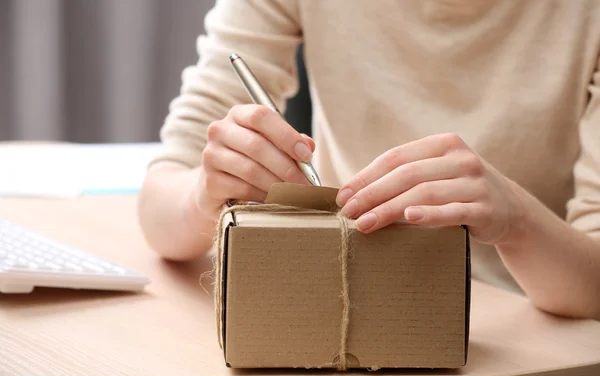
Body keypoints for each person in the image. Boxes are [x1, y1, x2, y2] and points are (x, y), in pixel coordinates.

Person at [138, 0, 600, 320]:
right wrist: (206, 189)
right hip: (346, 307)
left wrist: (515, 221)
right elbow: (161, 207)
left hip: (526, 340)